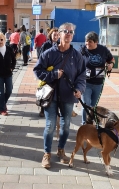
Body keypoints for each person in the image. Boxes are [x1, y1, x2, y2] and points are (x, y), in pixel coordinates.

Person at [33, 22, 86, 168]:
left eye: (71, 32)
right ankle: (46, 153)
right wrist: (52, 75)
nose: (68, 34)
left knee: (66, 126)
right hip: (52, 95)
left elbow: (82, 76)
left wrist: (79, 89)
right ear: (59, 34)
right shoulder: (50, 53)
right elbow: (37, 70)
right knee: (50, 125)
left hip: (68, 95)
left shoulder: (77, 56)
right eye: (65, 31)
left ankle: (61, 150)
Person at [80, 32, 114, 125]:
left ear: (96, 42)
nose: (87, 44)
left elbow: (111, 59)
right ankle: (84, 124)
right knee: (86, 105)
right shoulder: (82, 50)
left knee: (93, 106)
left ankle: (91, 122)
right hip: (86, 82)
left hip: (98, 83)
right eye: (86, 42)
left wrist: (110, 64)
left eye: (90, 42)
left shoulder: (103, 50)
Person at [0, 32, 16, 116]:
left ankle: (3, 103)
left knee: (9, 90)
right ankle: (2, 109)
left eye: (2, 39)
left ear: (5, 40)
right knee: (0, 92)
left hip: (8, 73)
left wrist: (12, 67)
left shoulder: (9, 48)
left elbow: (14, 60)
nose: (0, 41)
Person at [37, 27, 59, 117]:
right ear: (50, 35)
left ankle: (56, 109)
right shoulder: (46, 45)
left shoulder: (60, 45)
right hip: (46, 71)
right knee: (45, 89)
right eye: (54, 35)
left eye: (57, 35)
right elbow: (40, 57)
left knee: (56, 90)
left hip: (56, 71)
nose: (56, 36)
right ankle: (42, 109)